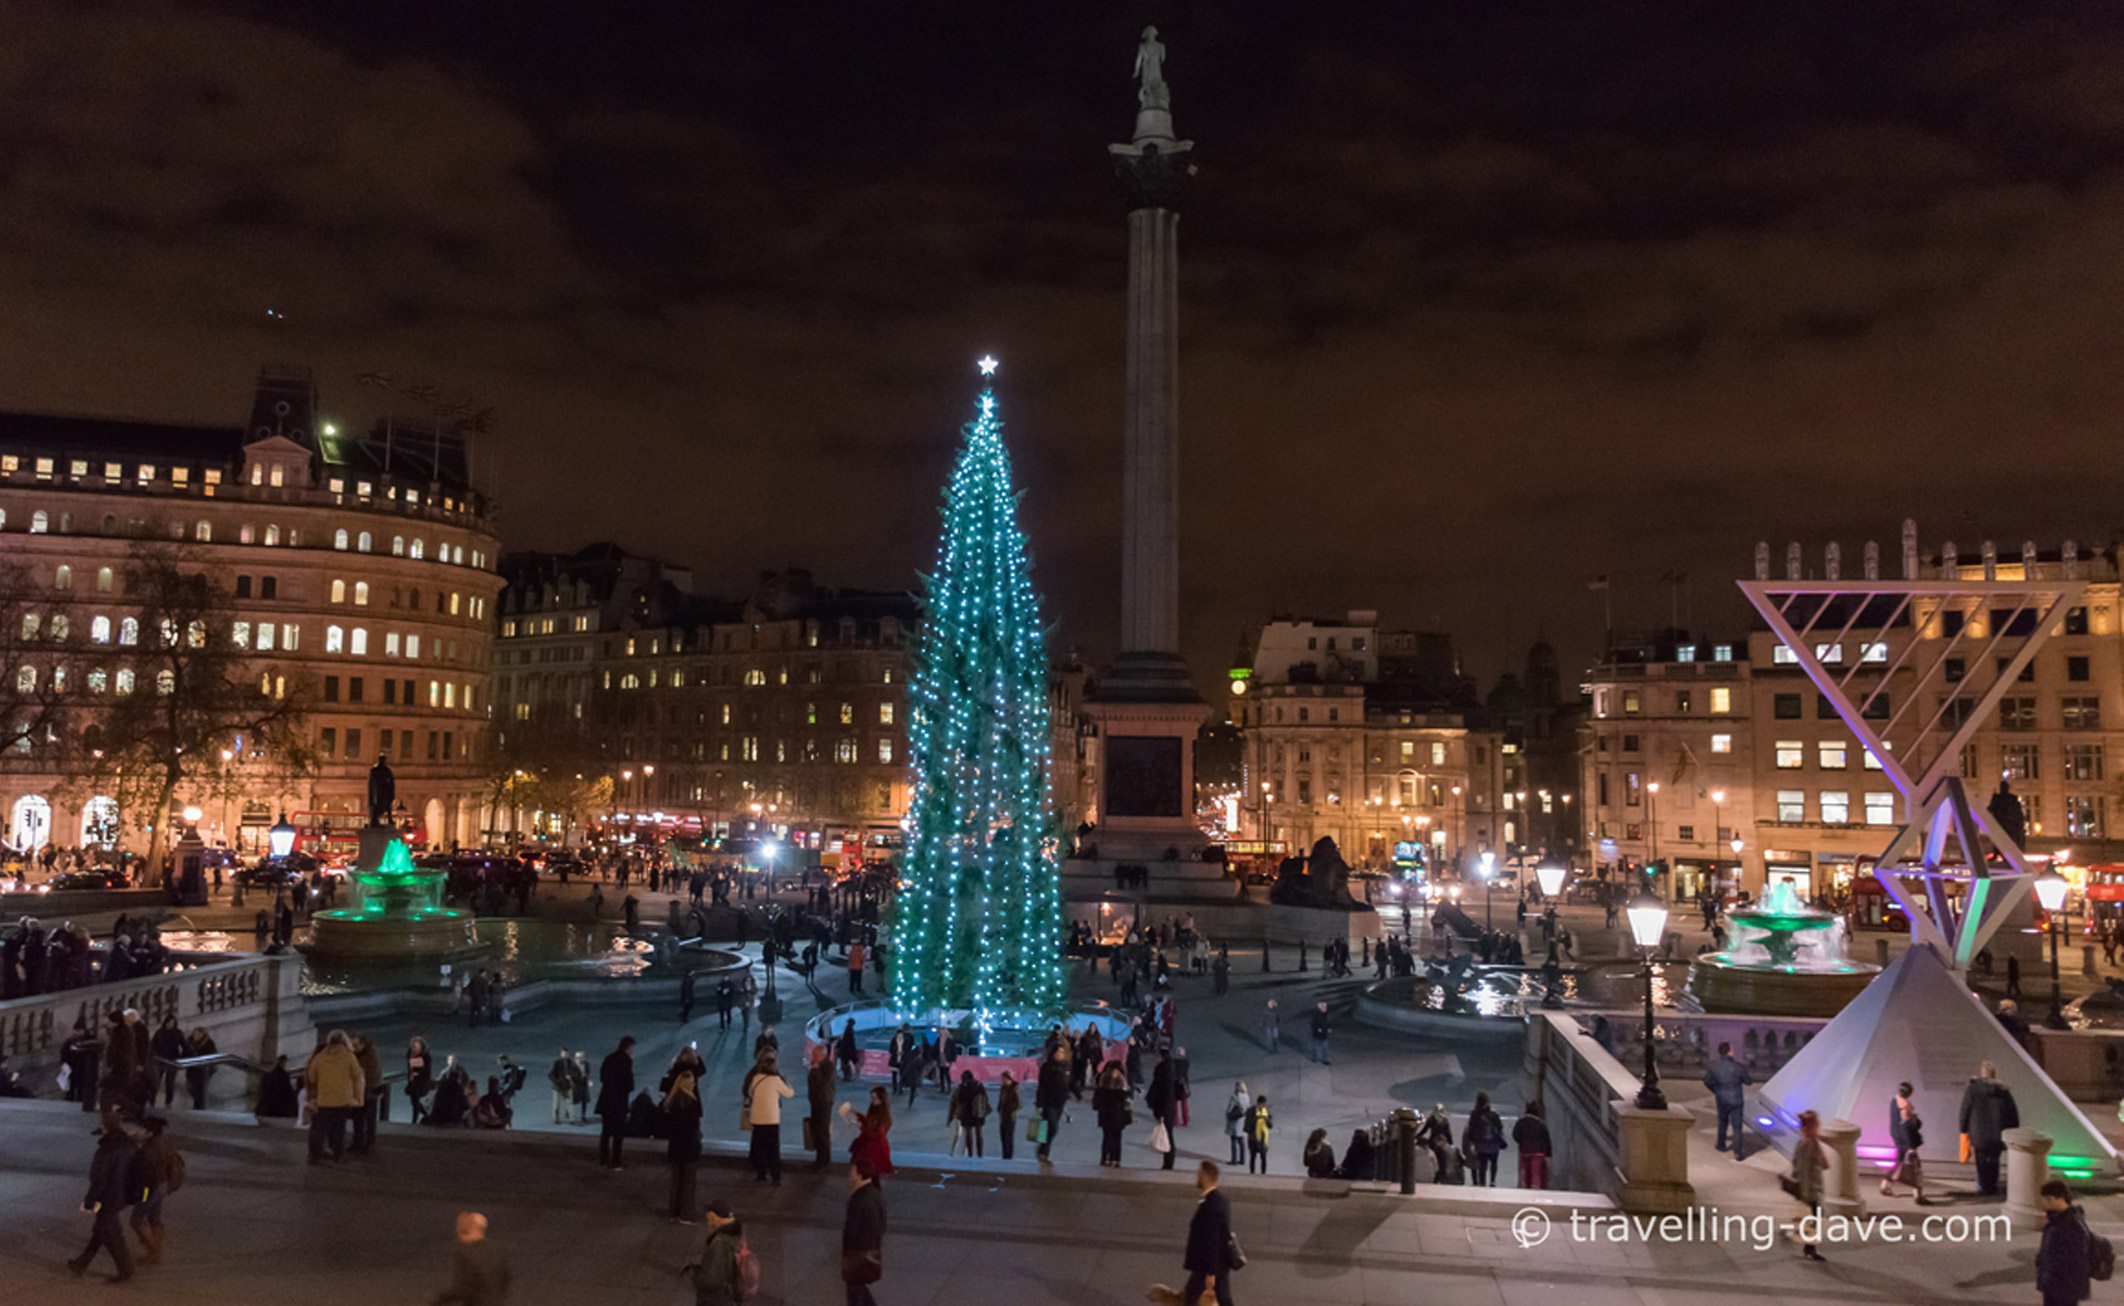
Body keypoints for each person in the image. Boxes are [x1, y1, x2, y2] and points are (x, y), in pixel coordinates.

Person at [68, 1119, 137, 1282]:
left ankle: (126, 1270)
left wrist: (90, 1200)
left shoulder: (106, 1151)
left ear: (105, 1129)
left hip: (108, 1198)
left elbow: (98, 1179)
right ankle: (80, 1264)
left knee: (111, 1234)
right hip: (121, 1196)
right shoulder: (128, 1145)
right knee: (101, 1230)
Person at [1959, 1061, 2020, 1196]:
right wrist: (2012, 1130)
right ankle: (1992, 1186)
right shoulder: (2003, 1091)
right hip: (1997, 1133)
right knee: (1994, 1160)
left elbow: (1965, 1110)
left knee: (1981, 1162)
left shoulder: (1973, 1090)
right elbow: (2012, 1113)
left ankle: (1983, 1186)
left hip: (1978, 1133)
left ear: (1982, 1072)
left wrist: (1963, 1129)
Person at [305, 1030, 365, 1164]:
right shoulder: (349, 1057)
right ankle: (338, 1156)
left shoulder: (320, 1057)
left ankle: (314, 1156)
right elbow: (358, 1076)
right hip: (342, 1099)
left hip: (324, 1099)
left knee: (319, 1128)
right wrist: (358, 1098)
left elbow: (312, 1076)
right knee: (339, 1129)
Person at [1180, 1160, 1234, 1306]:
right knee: (1223, 1298)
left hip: (1207, 1265)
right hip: (1215, 1264)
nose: (1197, 1176)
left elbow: (1213, 1239)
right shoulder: (1220, 1200)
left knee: (1191, 1297)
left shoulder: (1212, 1205)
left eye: (1199, 1173)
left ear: (1205, 1176)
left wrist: (1210, 1272)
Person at [128, 1115, 180, 1264]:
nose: (138, 1131)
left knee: (136, 1220)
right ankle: (156, 1251)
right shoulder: (161, 1142)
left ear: (149, 1133)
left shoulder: (148, 1151)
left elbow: (145, 1175)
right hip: (162, 1185)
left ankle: (153, 1248)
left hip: (149, 1189)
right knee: (154, 1219)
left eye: (142, 1129)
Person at [2036, 1178, 2094, 1306]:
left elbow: (2075, 1261)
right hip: (2053, 1284)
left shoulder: (2072, 1225)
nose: (2045, 1203)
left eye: (2048, 1199)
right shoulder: (2056, 1220)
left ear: (2060, 1198)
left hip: (2064, 1288)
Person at [433, 1211, 510, 1306]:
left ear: (469, 1228)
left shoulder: (465, 1252)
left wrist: (440, 1299)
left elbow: (462, 1287)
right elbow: (505, 1278)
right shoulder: (496, 1250)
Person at [743, 1050, 794, 1186]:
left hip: (757, 1118)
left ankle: (761, 1174)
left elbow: (749, 1093)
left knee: (759, 1148)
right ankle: (775, 1177)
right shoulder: (776, 1080)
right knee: (773, 1149)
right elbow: (789, 1093)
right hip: (771, 1119)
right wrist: (787, 1083)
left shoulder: (756, 1078)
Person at [842, 1160, 887, 1306]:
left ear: (858, 1175)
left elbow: (850, 1231)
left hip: (857, 1254)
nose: (850, 1175)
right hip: (872, 1250)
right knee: (860, 1289)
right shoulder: (876, 1195)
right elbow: (883, 1223)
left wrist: (846, 1250)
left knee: (854, 1291)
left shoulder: (857, 1199)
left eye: (852, 1171)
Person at [664, 1068, 704, 1222]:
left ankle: (673, 1212)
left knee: (676, 1181)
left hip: (675, 1145)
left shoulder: (671, 1101)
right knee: (688, 1181)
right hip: (689, 1147)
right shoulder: (691, 1103)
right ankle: (686, 1213)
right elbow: (694, 1125)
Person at [693, 1198, 747, 1306]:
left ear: (715, 1220)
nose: (707, 1222)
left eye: (709, 1218)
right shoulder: (733, 1237)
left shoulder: (718, 1245)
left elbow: (710, 1281)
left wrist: (697, 1275)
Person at [1789, 1109, 1827, 1261]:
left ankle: (1809, 1247)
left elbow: (1823, 1164)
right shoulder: (1807, 1145)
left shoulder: (1807, 1143)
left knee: (1812, 1218)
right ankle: (1809, 1247)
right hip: (1810, 1190)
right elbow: (1804, 1169)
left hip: (1811, 1188)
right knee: (1814, 1218)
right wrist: (1804, 1192)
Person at [1880, 1082, 1927, 1204]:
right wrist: (1911, 1147)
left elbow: (1897, 1124)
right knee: (1915, 1166)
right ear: (1910, 1093)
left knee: (1899, 1161)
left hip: (1897, 1136)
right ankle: (1917, 1194)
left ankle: (1885, 1186)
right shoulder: (1905, 1106)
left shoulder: (1894, 1101)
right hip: (1907, 1140)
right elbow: (1905, 1127)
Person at [1704, 1042, 1752, 1159]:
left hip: (1722, 1097)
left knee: (1722, 1121)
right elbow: (1748, 1081)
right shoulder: (1739, 1067)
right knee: (1737, 1126)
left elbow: (1707, 1081)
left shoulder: (1713, 1066)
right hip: (1736, 1098)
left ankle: (1721, 1144)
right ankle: (1738, 1152)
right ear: (1730, 1052)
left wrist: (1716, 1090)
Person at [596, 1036, 637, 1170]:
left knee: (606, 1132)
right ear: (628, 1047)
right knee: (618, 1133)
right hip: (619, 1102)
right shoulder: (626, 1062)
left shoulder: (609, 1058)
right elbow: (630, 1085)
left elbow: (602, 1077)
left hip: (606, 1100)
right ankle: (616, 1161)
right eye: (632, 1048)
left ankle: (603, 1159)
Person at [845, 1085, 894, 1177]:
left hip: (875, 1149)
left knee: (870, 1172)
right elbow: (868, 1123)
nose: (872, 1100)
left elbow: (877, 1135)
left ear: (881, 1099)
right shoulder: (875, 1109)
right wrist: (858, 1115)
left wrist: (860, 1126)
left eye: (874, 1098)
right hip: (870, 1147)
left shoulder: (883, 1117)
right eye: (872, 1098)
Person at [1095, 1060, 1133, 1167]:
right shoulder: (1121, 1079)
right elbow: (1126, 1096)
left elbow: (1097, 1096)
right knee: (1117, 1136)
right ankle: (1115, 1159)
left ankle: (1104, 1158)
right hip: (1118, 1113)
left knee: (1106, 1136)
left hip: (1105, 1112)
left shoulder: (1102, 1078)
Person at [351, 1033, 384, 1154]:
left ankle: (365, 1142)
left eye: (355, 1045)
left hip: (368, 1091)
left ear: (362, 1044)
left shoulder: (370, 1055)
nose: (353, 1047)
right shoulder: (363, 1053)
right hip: (364, 1090)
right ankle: (360, 1142)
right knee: (360, 1118)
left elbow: (368, 1074)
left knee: (365, 1117)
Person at [1146, 1050, 1179, 1171]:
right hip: (1168, 1110)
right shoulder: (1168, 1071)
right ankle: (1168, 1161)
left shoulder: (1164, 1074)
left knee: (1168, 1135)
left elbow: (1165, 1095)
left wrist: (1162, 1113)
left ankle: (1169, 1161)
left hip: (1166, 1111)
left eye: (1158, 1056)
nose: (1156, 1059)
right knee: (1168, 1134)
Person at [1464, 1092, 1506, 1187]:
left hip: (1480, 1143)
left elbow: (1471, 1129)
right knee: (1494, 1162)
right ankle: (1492, 1180)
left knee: (1482, 1164)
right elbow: (1499, 1127)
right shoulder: (1494, 1115)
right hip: (1493, 1143)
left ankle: (1482, 1182)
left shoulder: (1474, 1114)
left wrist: (1472, 1142)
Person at [948, 1070, 991, 1158]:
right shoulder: (979, 1086)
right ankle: (980, 1154)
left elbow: (953, 1103)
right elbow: (985, 1099)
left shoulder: (960, 1089)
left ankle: (970, 1155)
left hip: (966, 1114)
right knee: (979, 1134)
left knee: (968, 1134)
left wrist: (950, 1118)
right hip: (978, 1113)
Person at [808, 1044, 838, 1170]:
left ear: (823, 1056)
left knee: (822, 1131)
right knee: (816, 1130)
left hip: (824, 1102)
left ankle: (823, 1160)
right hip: (816, 1101)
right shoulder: (818, 1066)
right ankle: (820, 1159)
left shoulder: (829, 1067)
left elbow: (823, 1084)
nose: (813, 1057)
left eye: (816, 1055)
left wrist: (815, 1070)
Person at [1035, 1049, 1068, 1163]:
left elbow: (1069, 1081)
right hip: (1049, 1102)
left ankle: (1043, 1151)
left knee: (1049, 1127)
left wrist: (1076, 1092)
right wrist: (1039, 1103)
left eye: (1062, 1053)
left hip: (1060, 1102)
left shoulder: (1065, 1066)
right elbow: (1042, 1086)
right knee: (1052, 1127)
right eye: (1059, 1052)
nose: (1061, 1055)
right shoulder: (1047, 1067)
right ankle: (1043, 1150)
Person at [1512, 1102, 1551, 1189]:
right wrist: (1548, 1153)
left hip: (1524, 1150)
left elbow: (1515, 1135)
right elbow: (1546, 1139)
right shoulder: (1540, 1124)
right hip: (1538, 1152)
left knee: (1525, 1172)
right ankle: (1535, 1189)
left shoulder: (1520, 1122)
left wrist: (1521, 1142)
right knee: (1536, 1172)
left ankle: (1526, 1188)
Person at [150, 1014, 184, 1107]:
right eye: (169, 1022)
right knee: (156, 1081)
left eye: (172, 1023)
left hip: (172, 1060)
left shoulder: (177, 1033)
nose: (170, 1025)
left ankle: (168, 1101)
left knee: (170, 1082)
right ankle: (152, 1100)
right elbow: (153, 1045)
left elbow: (184, 1045)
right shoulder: (160, 1033)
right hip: (160, 1060)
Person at [182, 1026, 218, 1109]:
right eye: (195, 1033)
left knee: (200, 1090)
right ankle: (198, 1105)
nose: (196, 1036)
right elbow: (185, 1053)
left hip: (203, 1070)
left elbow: (211, 1056)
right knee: (191, 1088)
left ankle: (199, 1108)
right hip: (192, 1070)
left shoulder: (209, 1043)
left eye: (199, 1034)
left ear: (203, 1035)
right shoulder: (189, 1042)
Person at [256, 1054, 300, 1118]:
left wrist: (260, 1109)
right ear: (284, 1063)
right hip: (282, 1112)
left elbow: (262, 1095)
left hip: (267, 1111)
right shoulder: (285, 1077)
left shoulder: (267, 1077)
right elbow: (289, 1096)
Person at [1244, 1093, 1273, 1175]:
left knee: (1263, 1158)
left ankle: (1263, 1174)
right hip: (1253, 1139)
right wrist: (1256, 1118)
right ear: (1257, 1103)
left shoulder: (1266, 1111)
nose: (1262, 1106)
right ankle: (1252, 1174)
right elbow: (1247, 1125)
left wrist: (1267, 1120)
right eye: (1261, 1104)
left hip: (1263, 1139)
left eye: (1264, 1105)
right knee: (1253, 1157)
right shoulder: (1251, 1111)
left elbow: (1270, 1126)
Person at [996, 1069, 1020, 1161]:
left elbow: (1018, 1104)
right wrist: (999, 1109)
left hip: (1010, 1117)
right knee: (1003, 1137)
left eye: (1003, 1079)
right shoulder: (1003, 1089)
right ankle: (1004, 1155)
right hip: (1003, 1116)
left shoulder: (1013, 1089)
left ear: (1008, 1079)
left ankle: (1009, 1156)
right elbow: (1001, 1101)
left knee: (1009, 1137)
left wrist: (1009, 1110)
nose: (1002, 1081)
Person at [1225, 1081, 1251, 1165]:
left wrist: (1227, 1114)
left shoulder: (1234, 1097)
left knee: (1233, 1141)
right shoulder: (1247, 1096)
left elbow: (1229, 1108)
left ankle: (1234, 1160)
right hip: (1242, 1120)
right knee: (1241, 1141)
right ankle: (1242, 1159)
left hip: (1234, 1121)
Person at [548, 1049, 574, 1125]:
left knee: (570, 1103)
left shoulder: (570, 1062)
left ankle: (571, 1118)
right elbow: (551, 1075)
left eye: (566, 1053)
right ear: (561, 1054)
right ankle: (556, 1118)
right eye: (563, 1053)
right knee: (556, 1104)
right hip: (558, 1087)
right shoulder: (557, 1063)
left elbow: (574, 1072)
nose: (565, 1055)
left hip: (567, 1086)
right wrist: (558, 1081)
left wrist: (571, 1076)